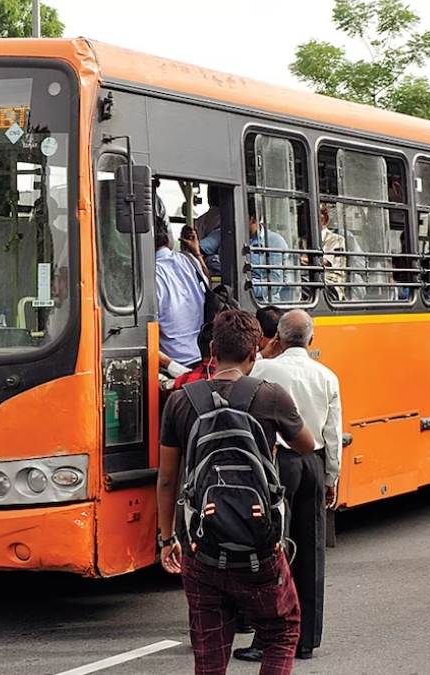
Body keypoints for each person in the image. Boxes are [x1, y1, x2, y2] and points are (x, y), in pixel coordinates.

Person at [157, 309, 316, 675]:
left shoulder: (182, 401)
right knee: (282, 629)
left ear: (212, 350)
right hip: (260, 546)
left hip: (201, 546)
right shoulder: (270, 396)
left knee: (210, 651)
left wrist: (167, 540)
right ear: (254, 354)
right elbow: (307, 445)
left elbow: (167, 479)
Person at [235, 310, 342, 662]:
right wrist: (331, 477)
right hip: (313, 461)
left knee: (273, 550)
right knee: (311, 550)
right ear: (311, 339)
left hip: (278, 462)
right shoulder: (327, 376)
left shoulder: (266, 369)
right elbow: (333, 434)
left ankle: (269, 638)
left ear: (277, 338)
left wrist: (268, 351)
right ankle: (307, 639)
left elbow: (248, 376)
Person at [155, 216, 206, 367]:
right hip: (201, 354)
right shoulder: (189, 260)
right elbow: (207, 285)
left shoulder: (151, 276)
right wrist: (197, 253)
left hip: (174, 363)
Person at [249, 216, 290, 302]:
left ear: (253, 220)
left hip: (264, 303)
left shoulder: (275, 241)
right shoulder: (228, 235)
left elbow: (274, 284)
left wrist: (245, 287)